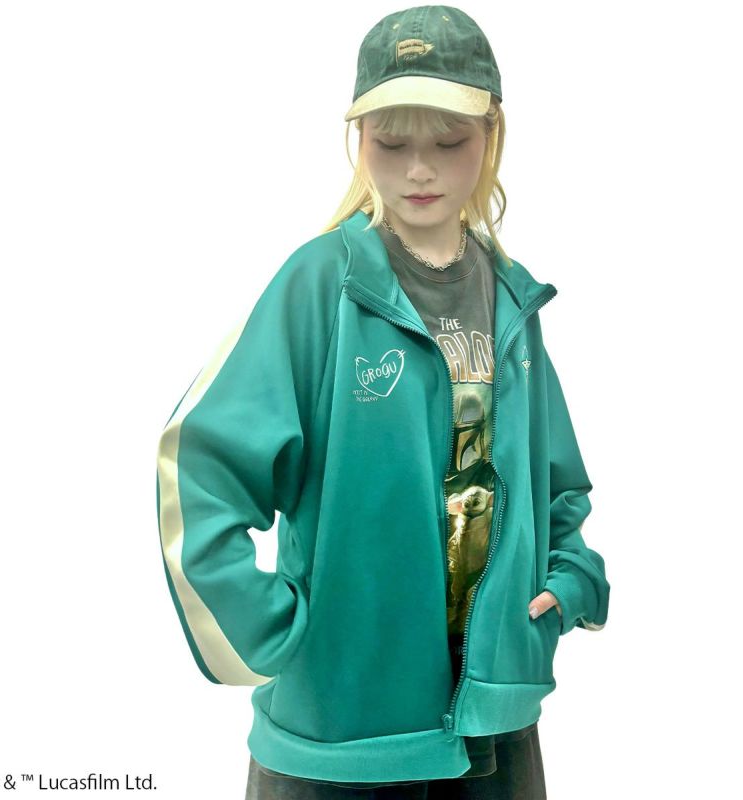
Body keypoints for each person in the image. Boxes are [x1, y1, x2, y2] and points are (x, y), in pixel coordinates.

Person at [155, 5, 610, 799]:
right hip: (342, 736)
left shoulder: (511, 298)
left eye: (448, 142)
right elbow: (202, 462)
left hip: (493, 727)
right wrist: (269, 630)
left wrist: (569, 582)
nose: (418, 170)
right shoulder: (320, 285)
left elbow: (557, 481)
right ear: (359, 138)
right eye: (392, 144)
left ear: (492, 134)